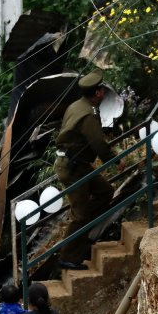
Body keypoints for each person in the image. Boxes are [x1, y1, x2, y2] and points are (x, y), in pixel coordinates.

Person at [53, 70, 117, 270]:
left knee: (105, 191)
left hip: (78, 164)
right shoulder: (88, 114)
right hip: (73, 168)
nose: (104, 93)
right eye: (102, 90)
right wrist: (116, 161)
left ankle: (83, 232)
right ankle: (68, 257)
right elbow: (98, 143)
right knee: (80, 215)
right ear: (97, 93)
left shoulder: (77, 105)